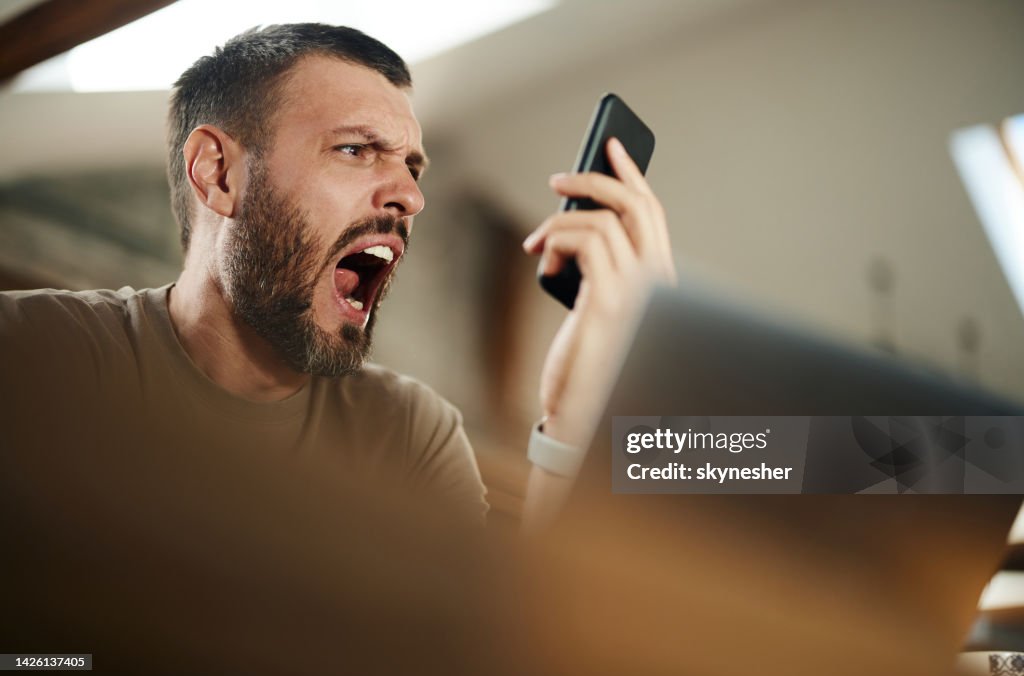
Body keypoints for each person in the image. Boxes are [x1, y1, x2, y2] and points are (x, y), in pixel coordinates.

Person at [0, 23, 675, 528]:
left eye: (413, 167)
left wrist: (571, 420)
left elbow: (499, 652)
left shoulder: (406, 433)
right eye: (355, 150)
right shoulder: (38, 354)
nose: (409, 197)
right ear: (218, 172)